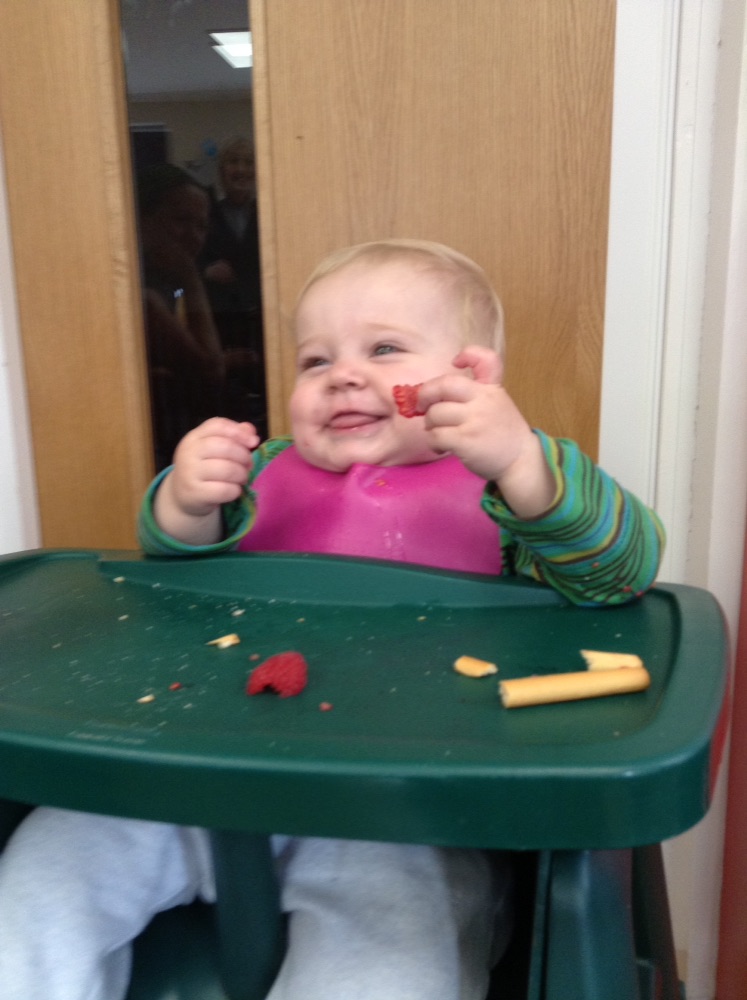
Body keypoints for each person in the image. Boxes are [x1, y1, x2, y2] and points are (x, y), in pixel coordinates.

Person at [0, 239, 665, 1000]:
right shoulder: (264, 476)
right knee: (48, 873)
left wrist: (522, 465)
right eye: (316, 360)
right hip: (201, 780)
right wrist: (185, 501)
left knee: (389, 960)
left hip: (401, 815)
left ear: (471, 376)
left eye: (384, 349)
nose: (342, 374)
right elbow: (175, 578)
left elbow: (621, 571)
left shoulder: (513, 495)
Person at [137, 164, 226, 470]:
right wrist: (192, 278)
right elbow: (210, 372)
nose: (194, 236)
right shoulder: (142, 295)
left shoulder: (165, 281)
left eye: (201, 226)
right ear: (145, 221)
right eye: (181, 220)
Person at [200, 136, 266, 436]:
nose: (241, 170)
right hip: (217, 319)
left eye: (248, 163)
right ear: (222, 170)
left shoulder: (269, 213)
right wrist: (205, 271)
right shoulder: (204, 212)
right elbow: (182, 261)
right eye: (233, 162)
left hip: (261, 319)